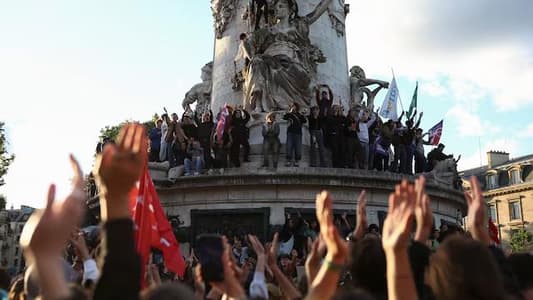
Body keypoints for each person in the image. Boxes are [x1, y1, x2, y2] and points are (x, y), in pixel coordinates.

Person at [283, 103, 307, 167]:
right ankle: (288, 160)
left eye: (294, 106)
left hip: (298, 133)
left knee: (298, 147)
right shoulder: (289, 115)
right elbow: (284, 117)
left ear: (296, 107)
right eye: (292, 106)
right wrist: (289, 112)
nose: (293, 107)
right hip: (290, 133)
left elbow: (304, 121)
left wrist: (303, 115)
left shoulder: (299, 115)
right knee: (289, 146)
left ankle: (297, 160)